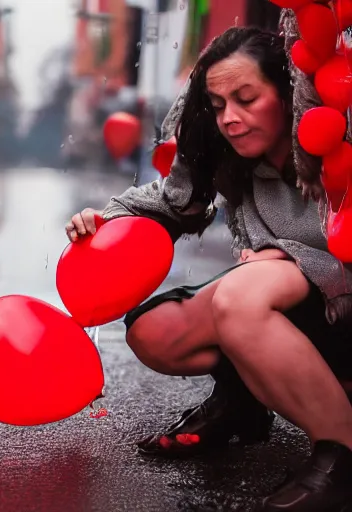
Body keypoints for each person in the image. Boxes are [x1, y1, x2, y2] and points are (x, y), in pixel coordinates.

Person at [65, 21, 352, 512]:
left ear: (287, 95)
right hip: (279, 297)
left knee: (239, 298)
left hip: (342, 316)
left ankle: (340, 454)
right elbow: (173, 204)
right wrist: (105, 219)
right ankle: (242, 406)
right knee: (154, 332)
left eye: (246, 98)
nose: (230, 119)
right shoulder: (231, 154)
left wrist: (296, 258)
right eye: (219, 106)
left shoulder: (337, 138)